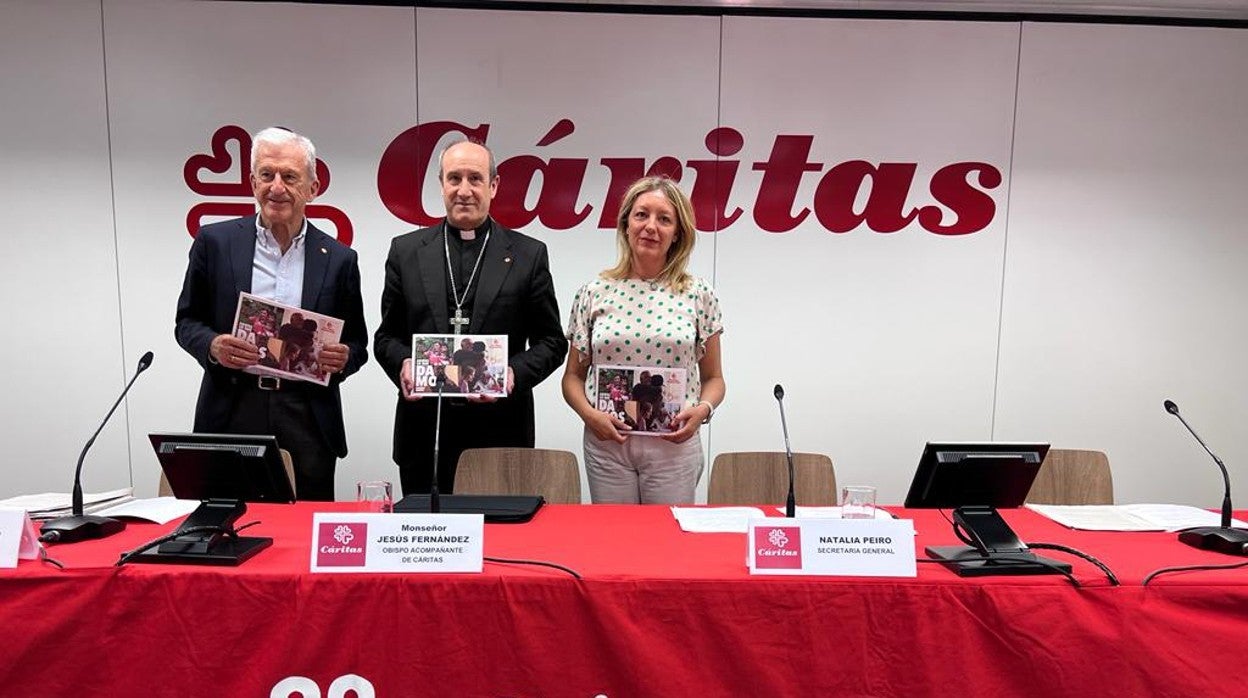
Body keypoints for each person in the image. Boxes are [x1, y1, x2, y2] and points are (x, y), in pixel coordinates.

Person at [175, 126, 368, 501]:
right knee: (228, 523)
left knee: (306, 531)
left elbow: (358, 342)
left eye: (290, 176)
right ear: (252, 182)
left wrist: (344, 358)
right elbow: (186, 322)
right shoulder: (214, 243)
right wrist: (213, 346)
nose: (276, 187)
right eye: (267, 175)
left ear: (312, 188)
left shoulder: (341, 259)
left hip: (307, 414)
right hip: (233, 406)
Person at [374, 138, 567, 496]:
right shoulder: (406, 251)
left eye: (475, 179)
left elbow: (552, 342)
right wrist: (402, 363)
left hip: (500, 431)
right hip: (424, 431)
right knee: (428, 543)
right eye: (454, 178)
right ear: (442, 185)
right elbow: (386, 338)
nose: (464, 190)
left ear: (493, 186)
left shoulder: (528, 255)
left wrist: (512, 374)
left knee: (499, 543)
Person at [562, 176, 725, 504]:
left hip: (672, 446)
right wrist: (589, 415)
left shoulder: (698, 294)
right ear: (625, 224)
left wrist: (703, 409)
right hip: (608, 445)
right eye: (641, 215)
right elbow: (573, 378)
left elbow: (714, 379)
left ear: (677, 232)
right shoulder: (594, 292)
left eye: (664, 219)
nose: (651, 226)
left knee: (666, 545)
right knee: (614, 544)